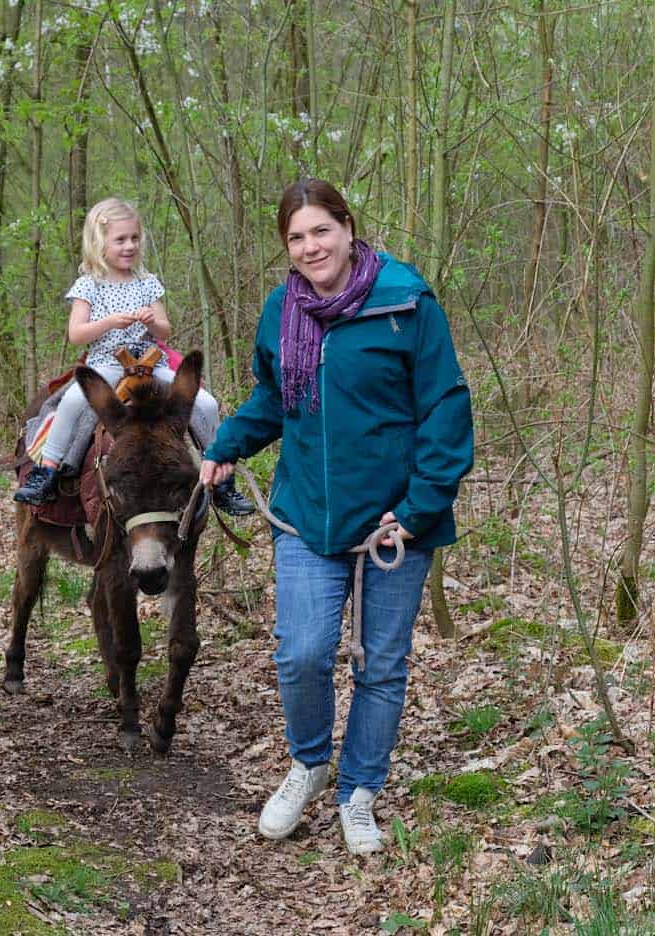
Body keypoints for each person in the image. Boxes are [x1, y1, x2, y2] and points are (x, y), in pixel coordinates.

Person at [199, 179, 473, 855]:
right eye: (296, 237)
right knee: (302, 652)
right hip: (306, 517)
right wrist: (226, 445)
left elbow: (446, 407)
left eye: (321, 230)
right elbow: (274, 401)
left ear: (349, 228)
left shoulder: (406, 302)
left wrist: (418, 508)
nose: (310, 246)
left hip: (394, 525)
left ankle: (358, 793)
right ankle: (310, 763)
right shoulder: (280, 311)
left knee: (381, 666)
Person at [14, 197, 253, 515]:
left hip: (151, 364)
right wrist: (109, 323)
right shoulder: (89, 286)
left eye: (134, 238)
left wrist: (153, 322)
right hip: (108, 363)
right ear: (100, 243)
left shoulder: (147, 283)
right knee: (72, 402)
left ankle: (220, 479)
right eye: (120, 239)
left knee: (206, 404)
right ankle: (48, 470)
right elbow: (76, 334)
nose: (129, 246)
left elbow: (165, 330)